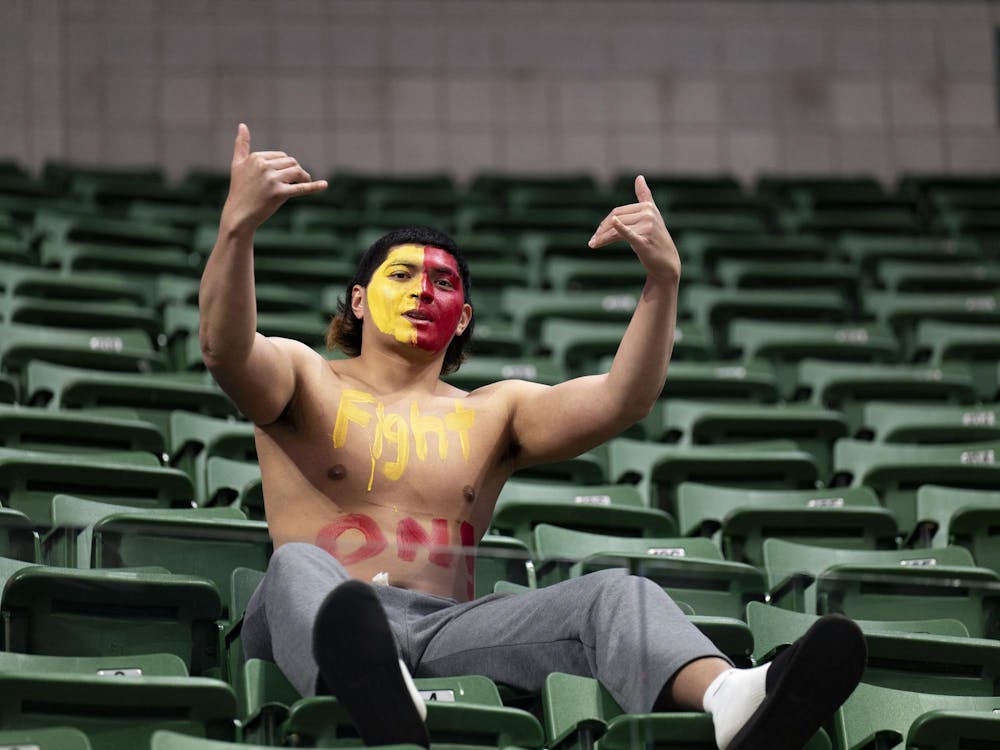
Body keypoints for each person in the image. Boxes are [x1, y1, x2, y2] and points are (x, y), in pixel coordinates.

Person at [199, 123, 866, 750]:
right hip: (310, 621)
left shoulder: (497, 410)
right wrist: (236, 230)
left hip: (441, 625)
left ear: (463, 320)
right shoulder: (304, 376)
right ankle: (370, 685)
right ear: (356, 299)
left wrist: (662, 282)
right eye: (400, 275)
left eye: (443, 282)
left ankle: (732, 697)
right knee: (297, 565)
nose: (423, 290)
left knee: (611, 593)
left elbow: (623, 400)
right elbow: (225, 350)